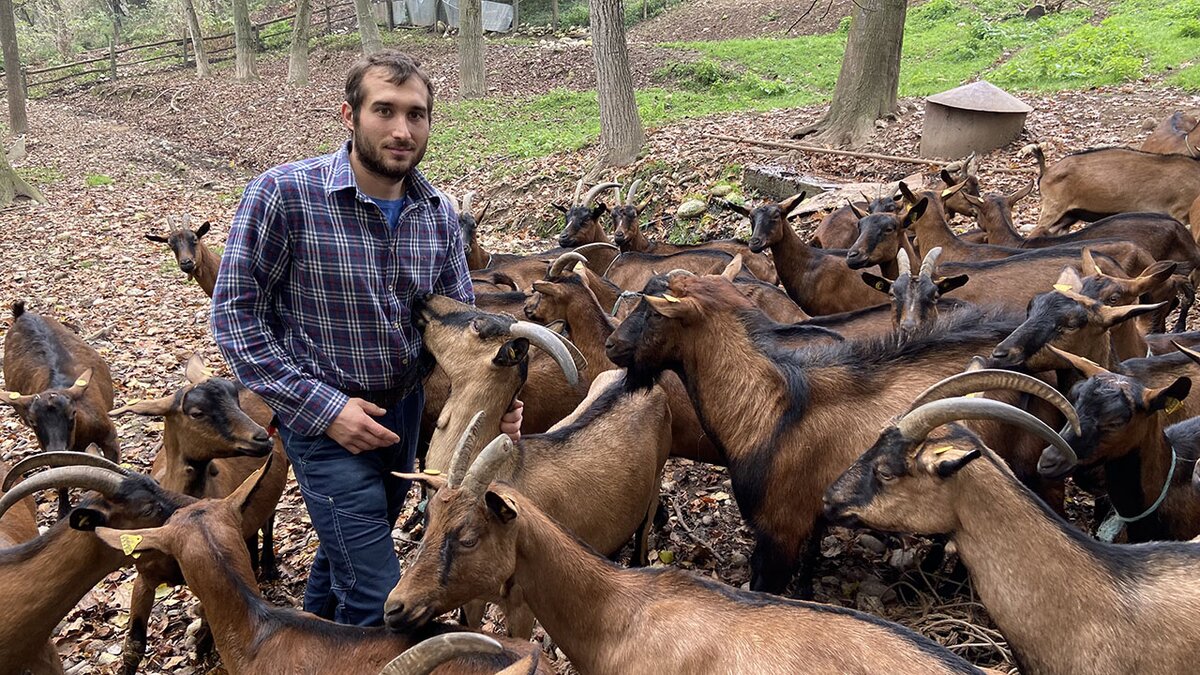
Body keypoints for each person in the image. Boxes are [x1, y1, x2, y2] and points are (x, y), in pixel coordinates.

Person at [211, 50, 521, 627]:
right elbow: (236, 318)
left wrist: (496, 402)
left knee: (346, 556)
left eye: (416, 114)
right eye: (385, 110)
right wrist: (327, 412)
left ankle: (308, 652)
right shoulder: (283, 196)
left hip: (401, 419)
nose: (402, 130)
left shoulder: (438, 216)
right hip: (320, 424)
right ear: (349, 116)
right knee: (382, 600)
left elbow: (461, 339)